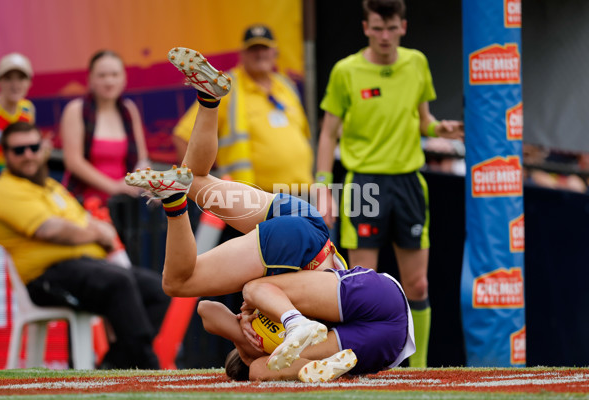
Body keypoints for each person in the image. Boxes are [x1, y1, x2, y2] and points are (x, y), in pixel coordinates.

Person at [126, 47, 367, 372]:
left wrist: (241, 329)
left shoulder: (262, 337)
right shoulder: (281, 346)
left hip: (301, 216)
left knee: (194, 179)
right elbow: (263, 369)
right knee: (176, 284)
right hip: (298, 247)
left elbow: (207, 312)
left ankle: (209, 99)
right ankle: (174, 202)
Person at [314, 0, 464, 368]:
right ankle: (360, 364)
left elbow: (423, 120)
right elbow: (328, 133)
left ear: (403, 27)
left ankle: (420, 370)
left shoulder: (416, 63)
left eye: (391, 28)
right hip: (364, 184)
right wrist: (322, 188)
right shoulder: (345, 71)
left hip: (409, 184)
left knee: (419, 286)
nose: (384, 36)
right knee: (360, 288)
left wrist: (437, 129)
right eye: (377, 28)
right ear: (365, 27)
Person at [0, 121, 170, 369]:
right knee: (118, 282)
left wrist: (93, 232)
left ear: (43, 148)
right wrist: (97, 235)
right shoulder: (6, 190)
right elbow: (51, 230)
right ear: (6, 154)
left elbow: (80, 222)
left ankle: (114, 365)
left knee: (156, 290)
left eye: (33, 147)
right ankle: (148, 367)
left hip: (86, 266)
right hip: (46, 277)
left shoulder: (52, 186)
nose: (28, 155)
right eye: (19, 150)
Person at [198, 266, 415, 382]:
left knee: (258, 369)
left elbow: (205, 309)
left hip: (390, 344)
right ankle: (296, 324)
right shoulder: (252, 343)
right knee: (253, 290)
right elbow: (204, 308)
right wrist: (245, 316)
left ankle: (298, 329)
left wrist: (243, 326)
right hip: (384, 300)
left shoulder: (252, 348)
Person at [172, 25, 313, 194]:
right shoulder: (225, 88)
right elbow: (182, 136)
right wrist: (201, 185)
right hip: (254, 200)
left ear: (275, 52)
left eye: (265, 48)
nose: (260, 54)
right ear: (242, 55)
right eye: (253, 49)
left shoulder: (286, 85)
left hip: (303, 193)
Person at [59, 50, 149, 204]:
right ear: (90, 79)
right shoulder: (76, 110)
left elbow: (142, 158)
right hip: (84, 201)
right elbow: (73, 162)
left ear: (124, 78)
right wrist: (113, 186)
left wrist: (145, 181)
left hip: (123, 202)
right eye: (102, 75)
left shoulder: (129, 109)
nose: (109, 81)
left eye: (115, 75)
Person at [0, 53, 35, 181]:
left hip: (19, 178)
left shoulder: (28, 109)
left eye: (21, 78)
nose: (15, 84)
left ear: (30, 82)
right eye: (8, 78)